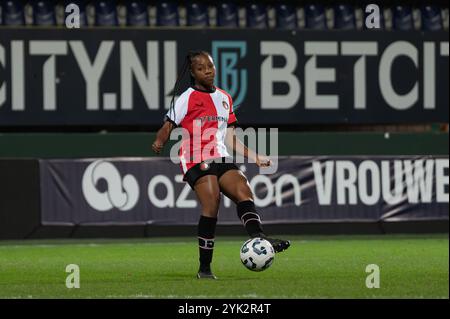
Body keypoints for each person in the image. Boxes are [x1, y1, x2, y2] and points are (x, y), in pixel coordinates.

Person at [152, 50, 290, 279]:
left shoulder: (225, 98)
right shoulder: (186, 97)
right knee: (212, 201)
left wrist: (254, 156)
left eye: (210, 66)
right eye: (201, 68)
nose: (207, 70)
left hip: (220, 155)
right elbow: (167, 126)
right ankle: (204, 268)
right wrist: (159, 141)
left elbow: (230, 138)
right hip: (195, 157)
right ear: (193, 73)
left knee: (243, 189)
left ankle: (259, 239)